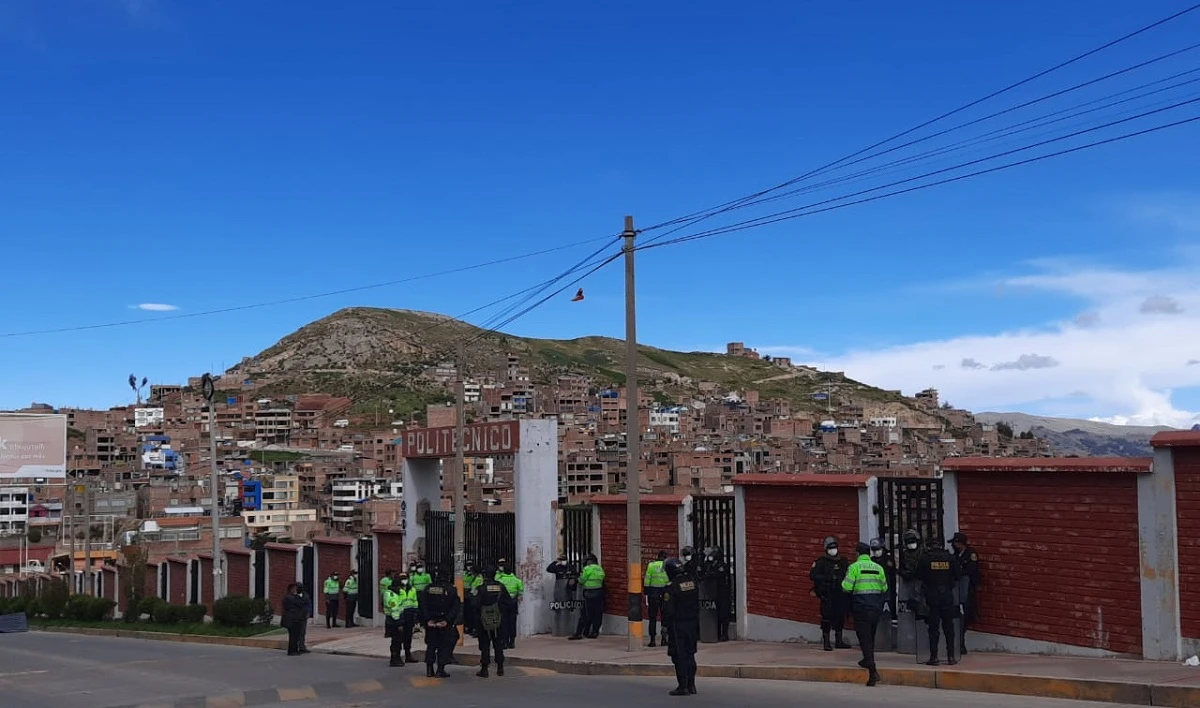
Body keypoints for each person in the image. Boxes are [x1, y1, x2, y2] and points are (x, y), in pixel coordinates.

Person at [841, 541, 887, 687]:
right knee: (870, 637)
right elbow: (884, 587)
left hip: (861, 608)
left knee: (864, 638)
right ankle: (867, 660)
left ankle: (872, 670)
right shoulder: (878, 567)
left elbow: (846, 587)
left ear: (858, 554)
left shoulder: (854, 567)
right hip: (875, 608)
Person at [916, 536, 960, 666]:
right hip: (947, 595)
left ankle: (934, 657)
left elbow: (918, 576)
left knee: (933, 628)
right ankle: (951, 656)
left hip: (932, 596)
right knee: (949, 627)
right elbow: (958, 576)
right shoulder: (950, 558)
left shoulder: (925, 558)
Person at [662, 557, 700, 696]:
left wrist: (665, 626)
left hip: (678, 625)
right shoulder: (691, 582)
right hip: (693, 623)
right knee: (690, 654)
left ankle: (682, 686)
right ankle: (692, 685)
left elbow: (668, 610)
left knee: (679, 656)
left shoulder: (671, 587)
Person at [472, 565, 516, 678]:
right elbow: (510, 603)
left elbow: (474, 605)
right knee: (498, 644)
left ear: (485, 575)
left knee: (485, 645)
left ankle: (484, 669)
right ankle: (500, 668)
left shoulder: (481, 589)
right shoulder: (501, 587)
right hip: (499, 621)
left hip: (484, 622)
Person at [809, 536, 851, 651]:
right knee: (826, 617)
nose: (833, 550)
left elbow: (849, 574)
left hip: (840, 593)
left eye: (835, 547)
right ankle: (826, 642)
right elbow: (813, 575)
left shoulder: (843, 561)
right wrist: (827, 578)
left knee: (840, 616)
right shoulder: (821, 561)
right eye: (830, 548)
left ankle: (839, 640)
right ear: (826, 549)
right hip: (827, 594)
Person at [418, 566, 460, 678]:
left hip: (431, 622)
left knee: (431, 645)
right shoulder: (451, 589)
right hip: (444, 622)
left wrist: (427, 620)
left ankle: (429, 670)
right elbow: (455, 607)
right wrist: (447, 620)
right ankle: (440, 670)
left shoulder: (428, 588)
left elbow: (422, 605)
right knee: (443, 646)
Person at [950, 532, 981, 656]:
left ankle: (961, 643)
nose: (954, 545)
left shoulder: (970, 554)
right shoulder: (956, 555)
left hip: (967, 589)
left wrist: (959, 572)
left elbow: (970, 570)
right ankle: (959, 643)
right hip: (958, 589)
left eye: (955, 543)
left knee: (966, 615)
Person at [570, 553, 604, 640]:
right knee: (597, 613)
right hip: (599, 592)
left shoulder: (587, 569)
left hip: (589, 593)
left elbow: (582, 580)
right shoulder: (600, 568)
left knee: (585, 613)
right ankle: (594, 632)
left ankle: (579, 633)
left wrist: (576, 580)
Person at [704, 546, 733, 642]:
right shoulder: (710, 564)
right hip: (713, 592)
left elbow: (717, 574)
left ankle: (724, 634)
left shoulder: (722, 565)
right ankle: (717, 633)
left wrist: (710, 574)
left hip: (722, 591)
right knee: (715, 613)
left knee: (723, 613)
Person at [495, 558, 525, 649]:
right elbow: (520, 593)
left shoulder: (500, 579)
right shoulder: (517, 580)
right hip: (513, 604)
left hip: (502, 604)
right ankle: (512, 642)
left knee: (503, 623)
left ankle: (504, 642)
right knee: (512, 622)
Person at [644, 550, 670, 647]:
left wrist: (646, 591)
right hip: (665, 592)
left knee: (652, 617)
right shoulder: (667, 565)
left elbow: (647, 579)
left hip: (653, 592)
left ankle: (652, 640)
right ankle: (664, 639)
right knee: (665, 616)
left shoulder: (651, 565)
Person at [283, 583, 308, 656]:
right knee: (293, 636)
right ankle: (292, 651)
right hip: (292, 619)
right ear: (290, 589)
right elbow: (301, 602)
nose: (295, 590)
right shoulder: (289, 597)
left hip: (295, 619)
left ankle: (294, 650)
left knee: (296, 636)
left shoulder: (291, 597)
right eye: (294, 589)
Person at [463, 559, 480, 637]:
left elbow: (476, 588)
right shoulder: (464, 574)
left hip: (474, 597)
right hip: (467, 594)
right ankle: (469, 627)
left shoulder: (477, 578)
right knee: (467, 612)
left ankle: (475, 629)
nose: (469, 568)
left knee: (474, 615)